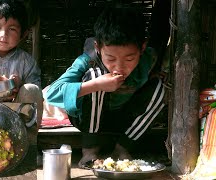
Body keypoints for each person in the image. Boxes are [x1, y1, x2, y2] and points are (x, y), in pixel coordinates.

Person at [44, 6, 166, 167]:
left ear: (142, 48)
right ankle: (89, 152)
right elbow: (51, 94)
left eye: (129, 59)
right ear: (98, 47)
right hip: (86, 119)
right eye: (111, 58)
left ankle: (122, 149)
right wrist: (95, 85)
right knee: (95, 75)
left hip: (122, 119)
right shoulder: (86, 60)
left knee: (161, 88)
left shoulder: (149, 58)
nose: (119, 67)